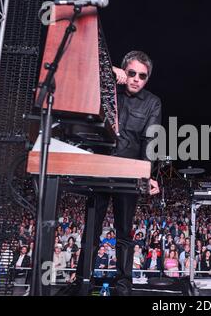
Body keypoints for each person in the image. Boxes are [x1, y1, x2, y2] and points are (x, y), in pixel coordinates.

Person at [74, 51, 161, 296]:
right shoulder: (108, 89)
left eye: (142, 76)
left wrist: (146, 173)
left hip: (128, 174)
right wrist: (110, 71)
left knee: (125, 233)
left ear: (147, 79)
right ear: (124, 72)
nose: (135, 79)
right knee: (91, 230)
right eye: (131, 73)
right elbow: (82, 69)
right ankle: (83, 282)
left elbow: (151, 141)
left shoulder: (152, 102)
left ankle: (124, 286)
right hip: (99, 168)